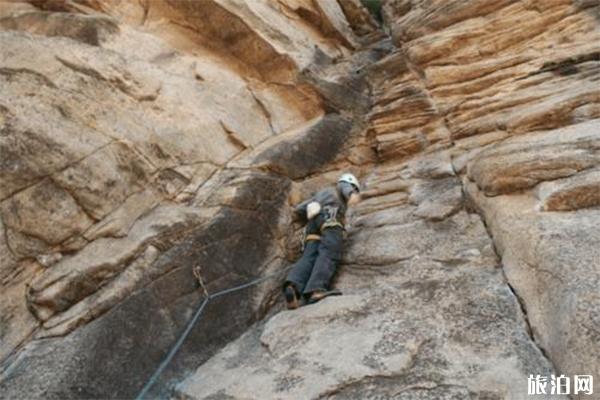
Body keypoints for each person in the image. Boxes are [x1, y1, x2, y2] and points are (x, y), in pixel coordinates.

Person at [283, 173, 361, 309]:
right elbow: (345, 187)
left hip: (313, 223)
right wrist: (352, 195)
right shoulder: (342, 185)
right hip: (331, 216)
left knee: (309, 256)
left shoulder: (321, 193)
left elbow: (301, 209)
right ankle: (316, 289)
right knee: (330, 251)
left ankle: (293, 287)